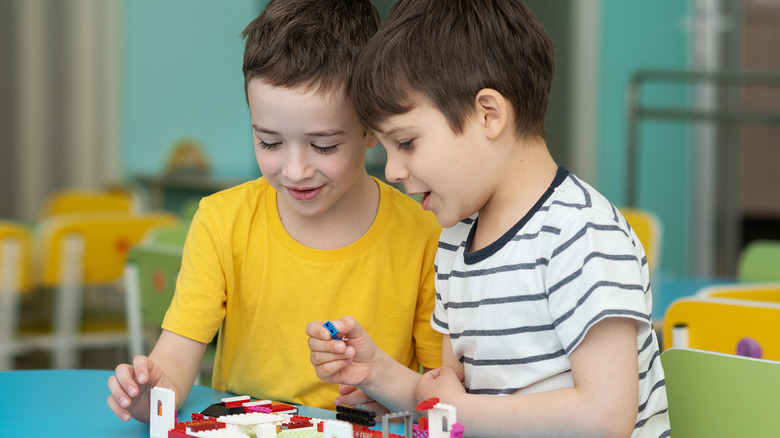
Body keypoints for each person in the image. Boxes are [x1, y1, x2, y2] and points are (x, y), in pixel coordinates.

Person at [306, 0, 670, 436]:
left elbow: (606, 417)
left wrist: (459, 412)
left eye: (405, 142)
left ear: (488, 115)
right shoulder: (457, 240)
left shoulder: (583, 235)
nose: (392, 171)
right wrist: (376, 373)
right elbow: (451, 403)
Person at [107, 0, 442, 423]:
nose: (295, 171)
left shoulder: (426, 234)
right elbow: (174, 360)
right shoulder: (222, 221)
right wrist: (150, 396)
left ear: (372, 127)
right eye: (269, 142)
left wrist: (396, 397)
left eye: (324, 145)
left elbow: (439, 392)